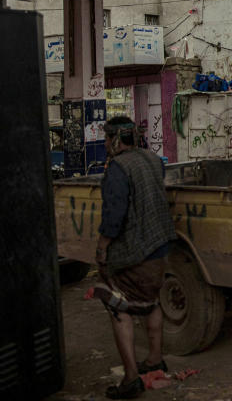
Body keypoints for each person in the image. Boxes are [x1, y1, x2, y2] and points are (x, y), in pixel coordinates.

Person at [92, 116, 177, 399]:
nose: (104, 144)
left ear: (116, 139)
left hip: (136, 252)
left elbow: (114, 217)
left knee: (118, 304)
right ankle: (155, 359)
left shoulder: (118, 167)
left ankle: (130, 378)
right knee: (151, 301)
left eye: (106, 138)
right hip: (161, 246)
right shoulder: (153, 159)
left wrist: (102, 248)